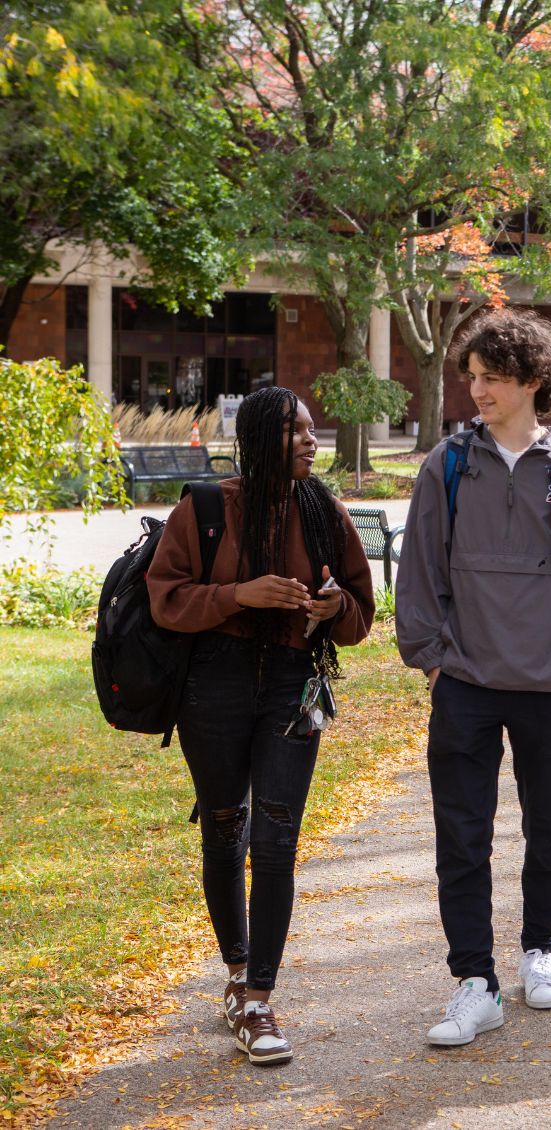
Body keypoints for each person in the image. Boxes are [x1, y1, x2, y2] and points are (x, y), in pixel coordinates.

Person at [395, 307, 551, 1045]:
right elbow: (419, 572)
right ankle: (475, 982)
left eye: (492, 379)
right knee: (461, 837)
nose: (477, 392)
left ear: (532, 382)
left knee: (548, 829)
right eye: (472, 378)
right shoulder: (447, 465)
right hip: (464, 682)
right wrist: (431, 660)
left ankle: (539, 952)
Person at [147, 385, 375, 1066]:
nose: (311, 440)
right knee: (225, 831)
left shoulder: (325, 512)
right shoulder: (207, 509)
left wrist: (333, 610)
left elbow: (362, 612)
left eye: (311, 429)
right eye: (293, 432)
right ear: (256, 440)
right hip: (212, 685)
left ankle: (258, 996)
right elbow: (166, 600)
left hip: (291, 684)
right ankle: (237, 969)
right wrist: (238, 596)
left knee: (276, 839)